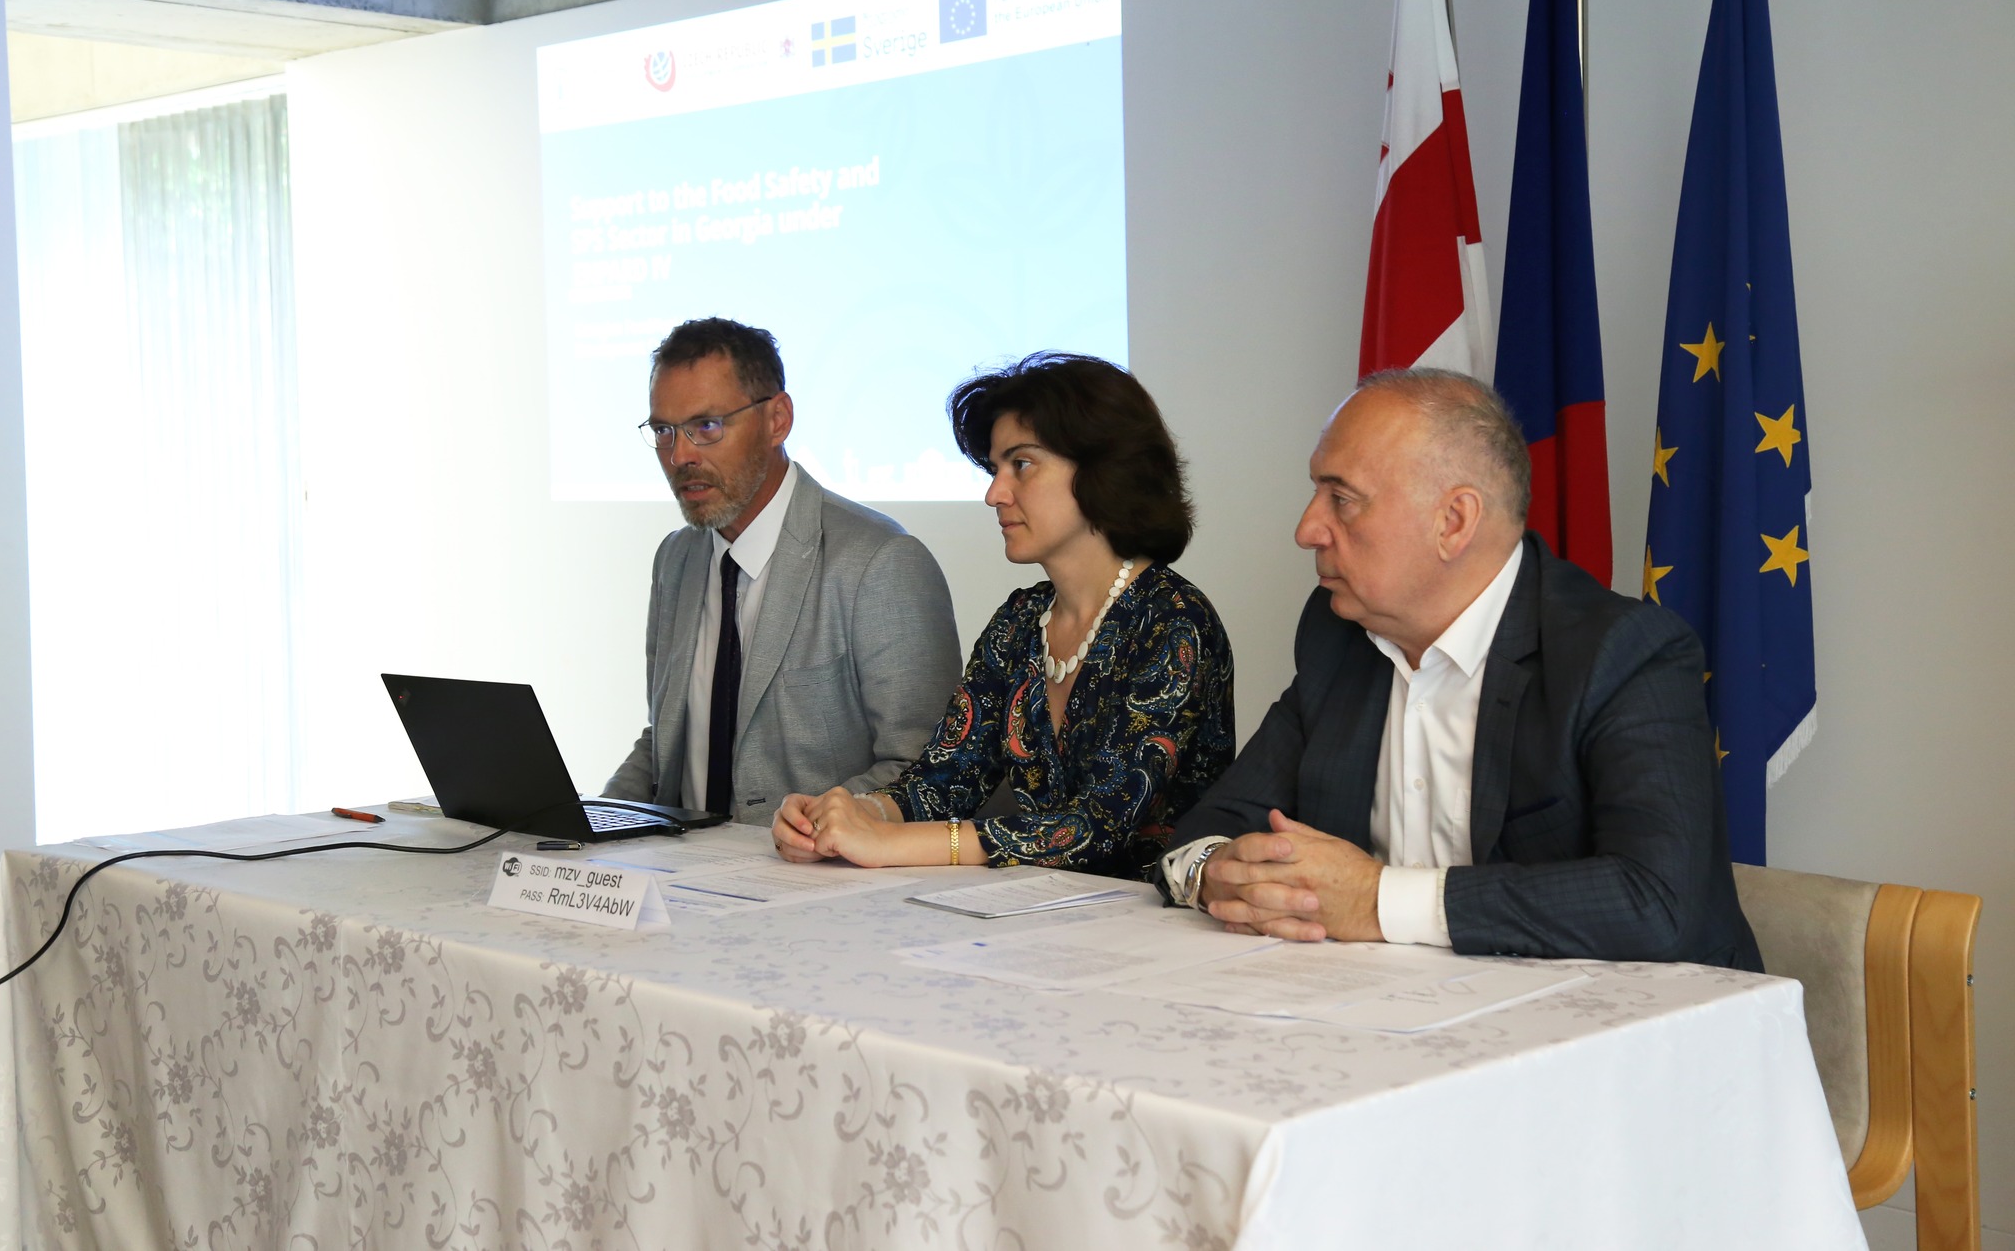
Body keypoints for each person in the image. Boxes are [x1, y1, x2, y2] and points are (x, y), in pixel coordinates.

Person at [1159, 367, 1761, 968]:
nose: (1307, 530)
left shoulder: (1622, 652)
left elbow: (1657, 904)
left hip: (1632, 1015)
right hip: (1397, 1003)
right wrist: (1213, 874)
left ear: (1453, 522)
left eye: (1342, 499)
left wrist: (1377, 899)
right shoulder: (1339, 635)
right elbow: (1215, 823)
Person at [773, 353, 1235, 878]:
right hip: (1039, 908)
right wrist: (845, 815)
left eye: (1022, 465)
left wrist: (888, 843)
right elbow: (946, 780)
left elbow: (1099, 827)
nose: (994, 493)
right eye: (995, 469)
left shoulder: (1174, 621)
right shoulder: (1020, 621)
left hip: (1153, 915)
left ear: (1105, 469)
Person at [601, 318, 962, 826]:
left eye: (707, 426)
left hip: (816, 870)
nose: (680, 455)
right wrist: (592, 822)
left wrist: (808, 828)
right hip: (681, 867)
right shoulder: (675, 559)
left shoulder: (882, 561)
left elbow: (930, 773)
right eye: (664, 431)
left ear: (777, 420)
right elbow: (667, 743)